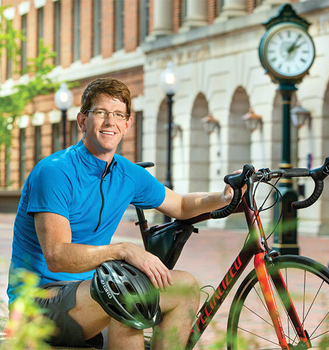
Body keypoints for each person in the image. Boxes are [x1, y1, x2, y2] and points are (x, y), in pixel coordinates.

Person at [7, 77, 235, 349]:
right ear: (82, 121)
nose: (109, 122)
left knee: (184, 286)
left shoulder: (127, 173)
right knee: (127, 291)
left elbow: (182, 205)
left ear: (127, 124)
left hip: (90, 292)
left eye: (118, 115)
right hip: (37, 303)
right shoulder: (54, 172)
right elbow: (57, 256)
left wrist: (224, 197)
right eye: (100, 113)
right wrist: (123, 250)